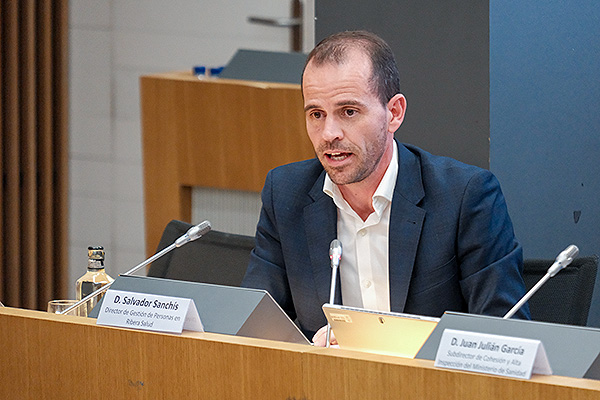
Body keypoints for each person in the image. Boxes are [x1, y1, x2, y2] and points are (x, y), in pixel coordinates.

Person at [242, 30, 530, 346]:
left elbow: (503, 335)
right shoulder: (285, 194)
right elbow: (253, 327)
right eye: (316, 114)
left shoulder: (464, 197)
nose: (329, 133)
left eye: (348, 112)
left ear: (394, 113)